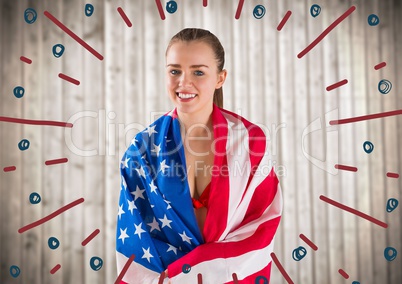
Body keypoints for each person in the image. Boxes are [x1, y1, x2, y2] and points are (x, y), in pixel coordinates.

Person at [116, 28, 282, 284]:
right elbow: (136, 236)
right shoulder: (142, 149)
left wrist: (199, 271)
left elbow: (261, 224)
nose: (184, 82)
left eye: (198, 72)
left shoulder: (249, 140)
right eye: (174, 71)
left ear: (220, 78)